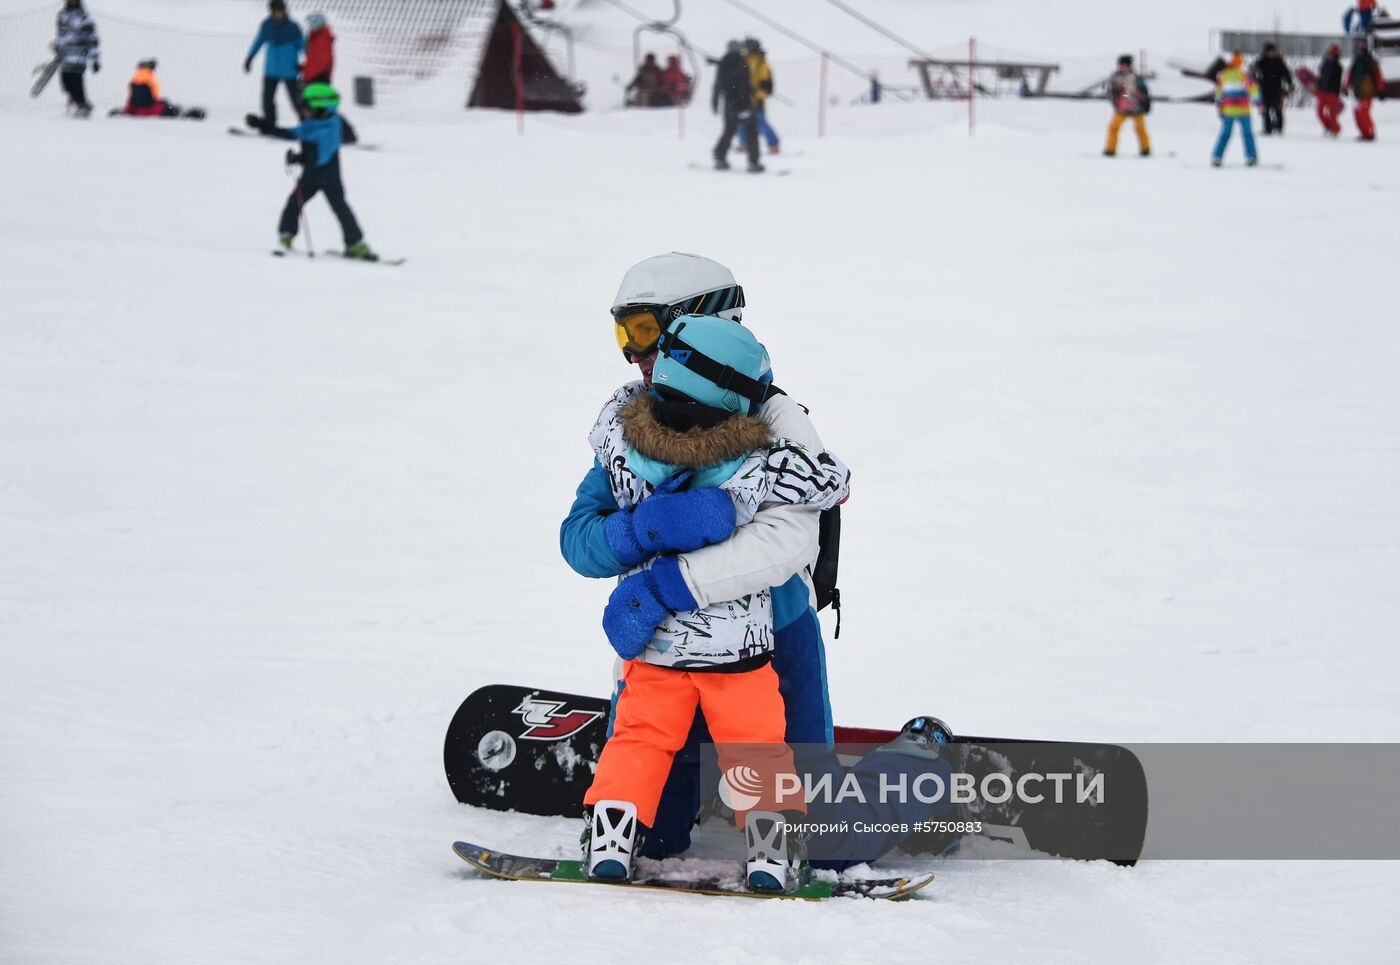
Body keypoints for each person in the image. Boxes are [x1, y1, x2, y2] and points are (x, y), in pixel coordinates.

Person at [561, 253, 839, 857]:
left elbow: (789, 540)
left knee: (819, 843)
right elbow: (580, 536)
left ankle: (919, 756)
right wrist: (639, 531)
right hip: (662, 652)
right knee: (651, 837)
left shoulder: (776, 418)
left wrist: (672, 582)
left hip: (769, 642)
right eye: (622, 334)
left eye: (642, 330)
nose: (632, 354)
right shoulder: (633, 422)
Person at [245, 83, 376, 260]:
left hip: (322, 178)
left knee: (334, 208)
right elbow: (292, 134)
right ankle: (287, 236)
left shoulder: (327, 128)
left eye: (306, 108)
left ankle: (355, 244)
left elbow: (320, 157)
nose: (303, 112)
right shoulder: (319, 123)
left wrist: (300, 158)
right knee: (299, 205)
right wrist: (264, 125)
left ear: (320, 109)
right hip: (320, 176)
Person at [244, 0, 305, 127]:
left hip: (290, 70)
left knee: (296, 99)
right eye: (276, 11)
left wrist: (310, 64)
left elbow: (303, 46)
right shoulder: (267, 26)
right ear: (271, 12)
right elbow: (258, 42)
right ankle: (270, 122)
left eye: (281, 11)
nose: (279, 14)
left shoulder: (293, 27)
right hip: (271, 69)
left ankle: (305, 121)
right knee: (267, 98)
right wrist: (250, 57)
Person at [301, 12, 357, 144]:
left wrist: (308, 76)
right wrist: (303, 69)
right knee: (318, 108)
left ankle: (347, 133)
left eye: (311, 24)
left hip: (318, 79)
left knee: (325, 108)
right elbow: (312, 60)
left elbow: (319, 63)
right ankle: (343, 133)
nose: (309, 26)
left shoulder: (320, 39)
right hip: (316, 77)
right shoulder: (315, 38)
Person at [712, 41, 761, 172]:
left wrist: (715, 101)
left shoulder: (723, 64)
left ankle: (719, 157)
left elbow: (718, 85)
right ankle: (753, 162)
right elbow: (744, 85)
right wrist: (750, 95)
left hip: (728, 104)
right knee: (751, 132)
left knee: (729, 131)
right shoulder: (743, 63)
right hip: (743, 103)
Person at [1211, 52, 1261, 167]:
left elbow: (1218, 94)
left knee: (1225, 134)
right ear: (1240, 63)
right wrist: (1259, 104)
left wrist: (1219, 107)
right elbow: (1253, 90)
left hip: (1228, 110)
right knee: (1247, 134)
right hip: (1243, 110)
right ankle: (1251, 157)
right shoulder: (1243, 75)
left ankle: (1217, 157)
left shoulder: (1223, 76)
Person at [117, 58, 204, 119]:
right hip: (151, 111)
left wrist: (127, 111)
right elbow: (154, 98)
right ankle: (178, 113)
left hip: (137, 110)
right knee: (166, 104)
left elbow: (131, 99)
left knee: (165, 103)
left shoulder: (133, 80)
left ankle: (174, 110)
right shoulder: (151, 80)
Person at [54, 0, 98, 117]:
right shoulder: (62, 15)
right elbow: (60, 34)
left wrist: (95, 58)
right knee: (65, 84)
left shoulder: (84, 17)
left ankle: (83, 105)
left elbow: (92, 39)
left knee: (76, 82)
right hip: (64, 58)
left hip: (79, 57)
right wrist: (58, 45)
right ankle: (77, 102)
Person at [1103, 54, 1151, 157]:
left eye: (1124, 65)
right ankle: (1110, 150)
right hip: (1122, 109)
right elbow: (1110, 91)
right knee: (1113, 128)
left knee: (1140, 129)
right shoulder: (1115, 77)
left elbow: (1144, 91)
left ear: (1129, 65)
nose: (1121, 67)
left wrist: (1146, 103)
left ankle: (1145, 149)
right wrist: (1116, 95)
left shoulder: (1136, 77)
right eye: (1120, 65)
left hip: (1137, 108)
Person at [737, 39, 780, 155]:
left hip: (756, 100)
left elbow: (767, 87)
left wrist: (756, 94)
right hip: (743, 99)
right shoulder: (743, 61)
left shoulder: (762, 64)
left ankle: (774, 144)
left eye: (747, 48)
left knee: (760, 122)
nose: (745, 51)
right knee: (740, 121)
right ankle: (743, 143)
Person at [1345, 38, 1386, 140]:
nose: (1359, 48)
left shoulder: (1371, 61)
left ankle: (1370, 133)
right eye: (1358, 46)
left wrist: (1381, 90)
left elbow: (1378, 76)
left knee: (1364, 113)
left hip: (1367, 92)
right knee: (1357, 114)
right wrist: (1346, 87)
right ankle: (1363, 133)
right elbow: (1350, 75)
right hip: (1357, 92)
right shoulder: (1356, 60)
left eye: (1361, 45)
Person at [1251, 43, 1294, 135]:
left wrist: (1290, 84)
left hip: (1276, 90)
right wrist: (1256, 79)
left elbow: (1286, 74)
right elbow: (1253, 72)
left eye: (1272, 51)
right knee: (1265, 110)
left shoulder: (1279, 61)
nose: (1271, 53)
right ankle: (1268, 128)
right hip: (1264, 89)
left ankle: (1279, 127)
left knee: (1277, 109)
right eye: (1269, 51)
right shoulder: (1261, 61)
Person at [1317, 43, 1345, 136]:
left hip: (1332, 92)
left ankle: (1336, 129)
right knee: (1319, 112)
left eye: (1331, 53)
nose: (1329, 54)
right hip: (1322, 91)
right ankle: (1328, 126)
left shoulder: (1337, 66)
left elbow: (1336, 81)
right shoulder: (1324, 64)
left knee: (1332, 113)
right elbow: (1321, 77)